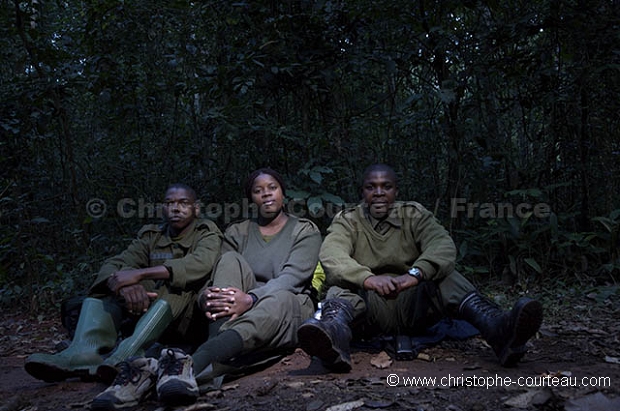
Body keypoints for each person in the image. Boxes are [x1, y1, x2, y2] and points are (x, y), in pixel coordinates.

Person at [92, 168, 322, 409]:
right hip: (236, 308)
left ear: (283, 193)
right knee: (230, 259)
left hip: (284, 305)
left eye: (272, 188)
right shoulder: (237, 231)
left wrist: (251, 299)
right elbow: (216, 276)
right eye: (258, 190)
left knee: (280, 299)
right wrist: (206, 298)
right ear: (250, 198)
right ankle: (168, 372)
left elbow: (292, 278)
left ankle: (189, 364)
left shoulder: (304, 230)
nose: (266, 195)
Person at [297, 164, 543, 372]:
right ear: (363, 191)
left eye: (387, 187)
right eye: (371, 187)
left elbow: (442, 247)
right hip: (368, 308)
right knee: (340, 287)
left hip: (413, 302)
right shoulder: (348, 219)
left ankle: (498, 330)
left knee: (447, 275)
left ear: (397, 190)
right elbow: (332, 254)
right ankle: (334, 341)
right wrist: (368, 279)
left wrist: (414, 275)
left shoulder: (415, 214)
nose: (379, 193)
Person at [25, 183, 223, 385]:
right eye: (169, 203)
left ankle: (127, 356)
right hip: (148, 312)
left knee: (177, 285)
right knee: (109, 286)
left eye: (183, 203)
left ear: (196, 208)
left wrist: (138, 274)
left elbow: (199, 264)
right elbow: (118, 263)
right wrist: (125, 285)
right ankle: (82, 354)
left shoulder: (206, 232)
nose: (176, 208)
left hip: (186, 319)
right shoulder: (152, 235)